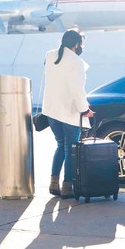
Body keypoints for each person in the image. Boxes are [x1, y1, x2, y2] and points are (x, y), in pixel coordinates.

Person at [42, 29, 94, 199]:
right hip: (68, 112)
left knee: (60, 145)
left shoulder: (50, 55)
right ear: (77, 44)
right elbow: (77, 90)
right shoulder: (76, 62)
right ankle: (67, 186)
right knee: (70, 148)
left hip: (51, 111)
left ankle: (53, 183)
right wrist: (85, 110)